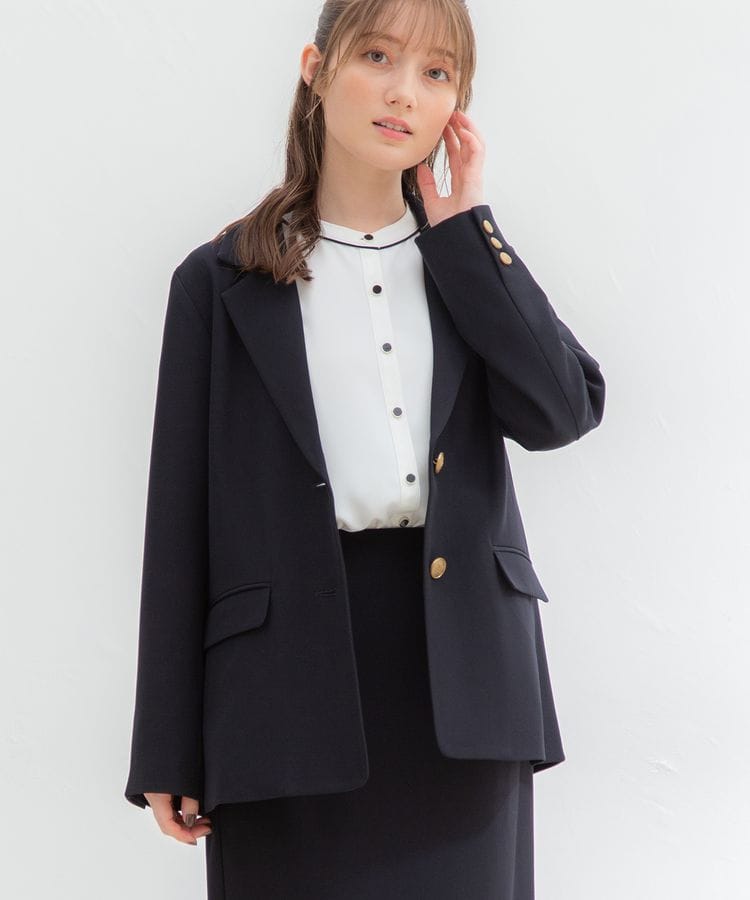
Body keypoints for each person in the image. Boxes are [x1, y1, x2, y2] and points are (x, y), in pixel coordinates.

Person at [124, 0, 606, 896]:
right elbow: (177, 519)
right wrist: (166, 744)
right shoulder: (219, 282)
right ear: (316, 68)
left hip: (464, 685)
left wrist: (471, 231)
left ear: (456, 104)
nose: (403, 92)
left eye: (436, 73)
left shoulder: (464, 266)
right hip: (280, 694)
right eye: (377, 57)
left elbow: (562, 412)